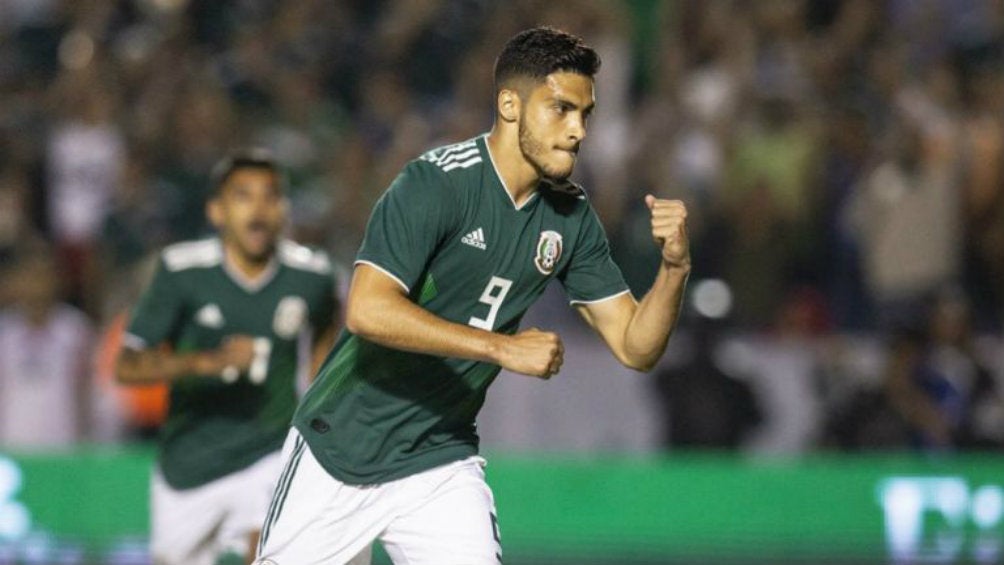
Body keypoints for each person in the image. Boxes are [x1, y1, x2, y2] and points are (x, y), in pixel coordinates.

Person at [254, 26, 690, 565]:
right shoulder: (436, 184)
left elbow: (635, 346)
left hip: (439, 460)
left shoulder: (571, 218)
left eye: (586, 114)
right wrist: (499, 348)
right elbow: (367, 309)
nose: (578, 130)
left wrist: (674, 269)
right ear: (510, 104)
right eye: (561, 109)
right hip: (341, 447)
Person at [115, 149, 340, 565]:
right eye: (243, 196)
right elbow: (126, 366)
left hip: (270, 450)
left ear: (283, 209)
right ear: (216, 211)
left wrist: (318, 393)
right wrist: (204, 362)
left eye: (270, 196)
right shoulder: (181, 271)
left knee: (268, 549)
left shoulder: (313, 275)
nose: (258, 209)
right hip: (189, 462)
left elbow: (330, 326)